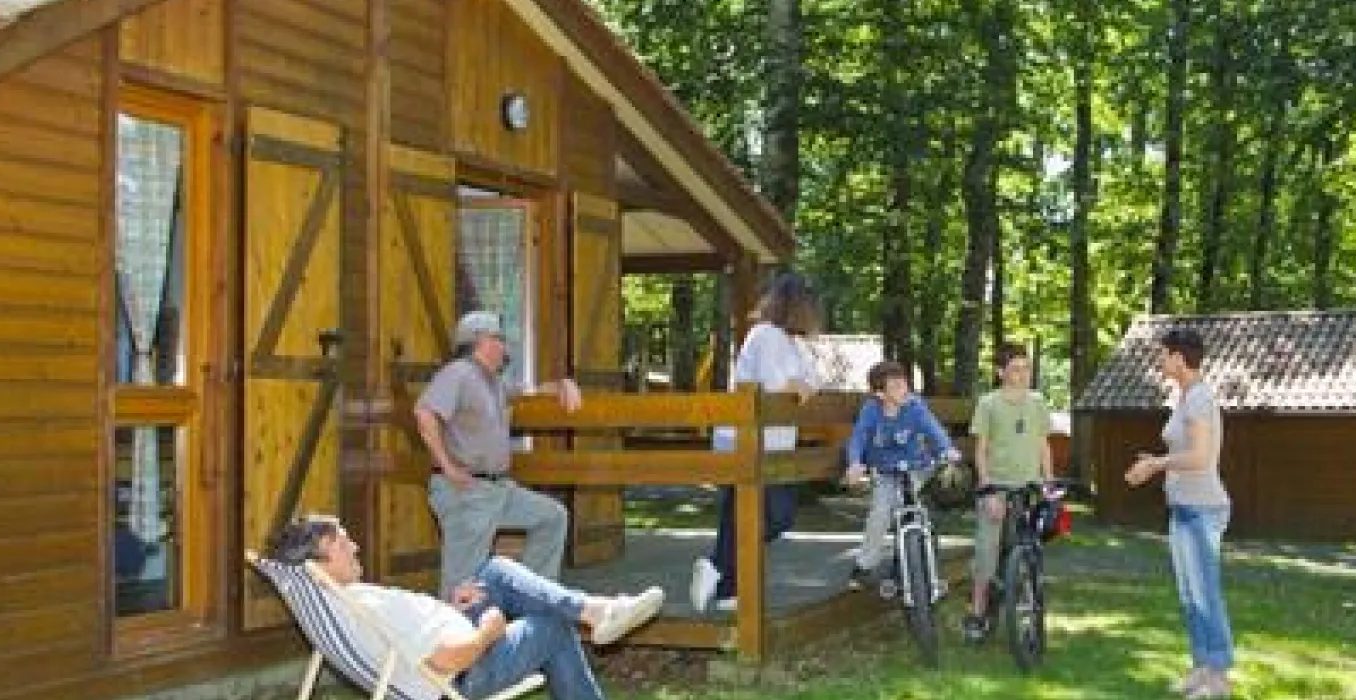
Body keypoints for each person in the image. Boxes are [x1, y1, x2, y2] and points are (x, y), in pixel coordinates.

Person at [268, 515, 663, 700]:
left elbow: (407, 642)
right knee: (551, 627)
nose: (354, 547)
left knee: (497, 571)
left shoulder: (344, 602)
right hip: (467, 669)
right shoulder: (361, 605)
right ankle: (595, 613)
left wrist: (448, 607)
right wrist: (487, 634)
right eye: (341, 544)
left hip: (457, 637)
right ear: (318, 566)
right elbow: (442, 664)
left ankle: (595, 610)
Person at [416, 311, 582, 596]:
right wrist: (447, 467)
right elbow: (424, 412)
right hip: (466, 492)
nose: (505, 346)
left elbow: (530, 392)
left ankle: (532, 601)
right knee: (462, 585)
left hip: (497, 489)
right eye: (499, 339)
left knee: (552, 517)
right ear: (481, 340)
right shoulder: (458, 372)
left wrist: (562, 385)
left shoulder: (492, 382)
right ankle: (455, 637)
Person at [689, 272, 822, 612]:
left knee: (762, 516)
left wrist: (801, 383)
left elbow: (813, 382)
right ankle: (723, 577)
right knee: (761, 515)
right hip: (746, 441)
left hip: (774, 444)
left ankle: (721, 576)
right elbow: (775, 382)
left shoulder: (792, 343)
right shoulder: (763, 335)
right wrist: (797, 384)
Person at [1124, 328, 1234, 699]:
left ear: (1178, 358)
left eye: (1164, 355)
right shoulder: (1185, 397)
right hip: (1183, 509)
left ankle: (1218, 677)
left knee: (1206, 593)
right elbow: (1183, 453)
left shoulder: (1200, 399)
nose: (1160, 361)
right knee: (1190, 594)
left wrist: (1156, 464)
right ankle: (1201, 668)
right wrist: (1156, 463)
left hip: (1203, 510)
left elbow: (1201, 458)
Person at [963, 344, 1053, 643]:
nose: (1023, 374)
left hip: (1029, 487)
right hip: (998, 486)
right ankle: (977, 613)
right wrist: (988, 489)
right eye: (1015, 368)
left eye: (1026, 368)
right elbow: (981, 450)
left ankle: (1030, 607)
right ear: (1000, 372)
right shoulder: (988, 404)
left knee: (1031, 550)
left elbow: (1043, 445)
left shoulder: (1038, 401)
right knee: (986, 554)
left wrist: (1048, 482)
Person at [841, 360, 958, 590]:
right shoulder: (871, 411)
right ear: (880, 394)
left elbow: (933, 428)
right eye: (894, 386)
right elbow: (858, 438)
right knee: (881, 512)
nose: (902, 390)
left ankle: (917, 558)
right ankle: (864, 566)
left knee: (912, 507)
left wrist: (947, 449)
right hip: (886, 472)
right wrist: (854, 463)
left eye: (904, 383)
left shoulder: (915, 407)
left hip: (916, 468)